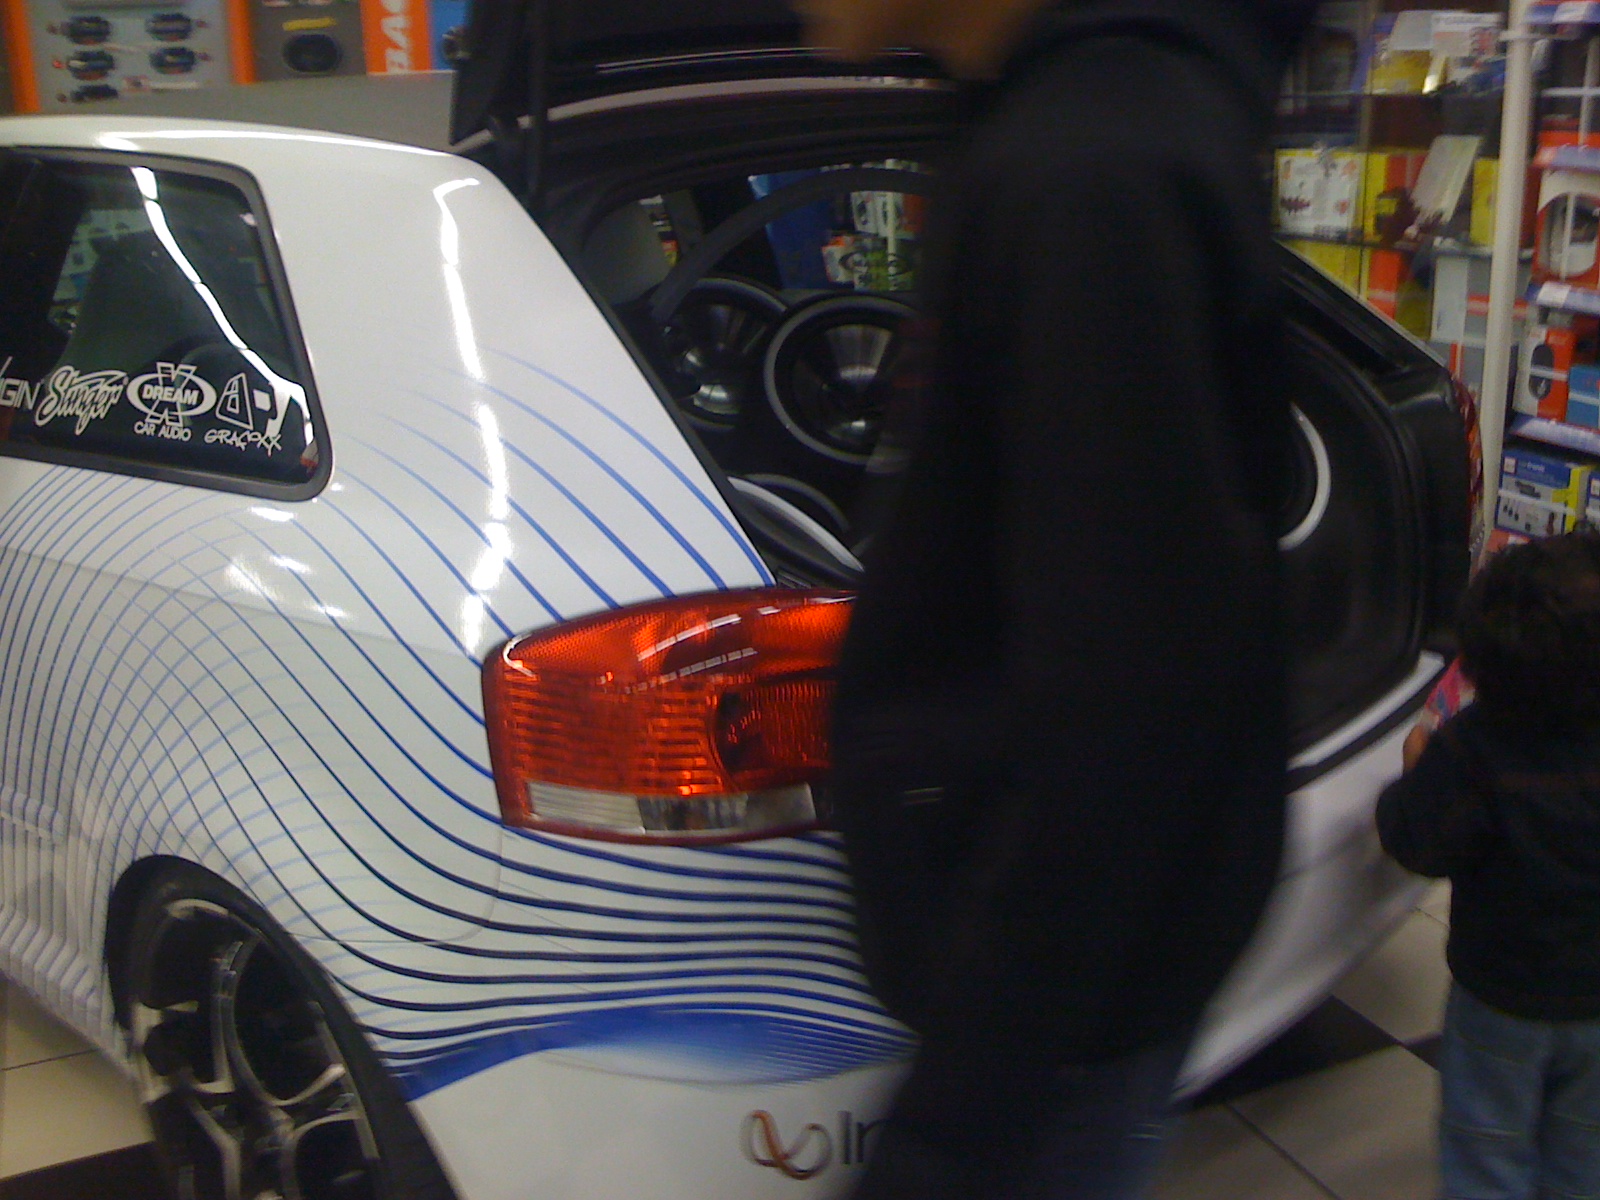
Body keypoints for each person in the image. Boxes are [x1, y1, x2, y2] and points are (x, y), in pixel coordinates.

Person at [789, 1, 1319, 1197]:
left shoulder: (1089, 169)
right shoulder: (1062, 126)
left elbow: (1126, 702)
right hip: (1073, 987)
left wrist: (952, 1132)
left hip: (1056, 1020)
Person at [1378, 532, 1600, 1200]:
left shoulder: (1473, 747)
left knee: (1486, 1155)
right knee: (1582, 1157)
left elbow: (1416, 843)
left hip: (1502, 997)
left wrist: (1414, 774)